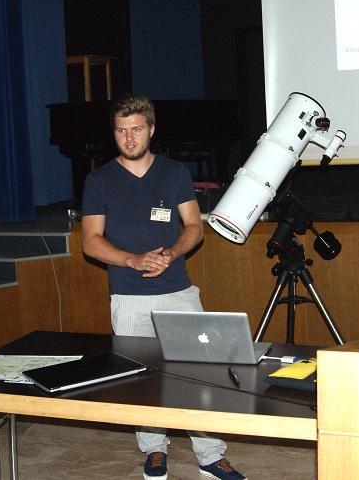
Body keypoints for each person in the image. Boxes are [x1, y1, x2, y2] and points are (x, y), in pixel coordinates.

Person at [81, 94, 247, 480]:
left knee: (197, 374)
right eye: (121, 131)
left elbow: (194, 226)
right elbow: (91, 240)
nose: (129, 138)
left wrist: (171, 253)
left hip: (178, 291)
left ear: (151, 130)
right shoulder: (99, 179)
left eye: (137, 129)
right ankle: (154, 450)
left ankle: (210, 454)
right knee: (141, 377)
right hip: (128, 295)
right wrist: (132, 260)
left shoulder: (174, 173)